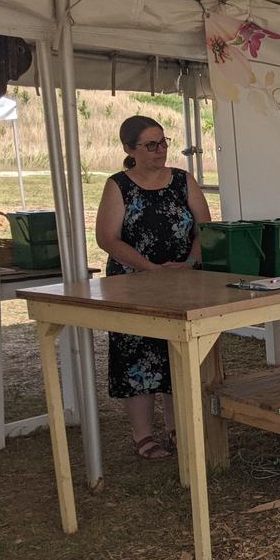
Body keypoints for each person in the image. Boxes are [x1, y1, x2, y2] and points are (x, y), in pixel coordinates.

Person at [96, 116, 211, 459]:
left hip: (183, 282)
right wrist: (149, 269)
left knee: (177, 351)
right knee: (137, 356)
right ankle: (143, 436)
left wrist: (190, 263)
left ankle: (178, 428)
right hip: (132, 284)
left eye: (163, 142)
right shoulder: (118, 185)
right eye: (150, 145)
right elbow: (107, 238)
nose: (160, 151)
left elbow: (205, 228)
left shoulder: (182, 180)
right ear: (129, 149)